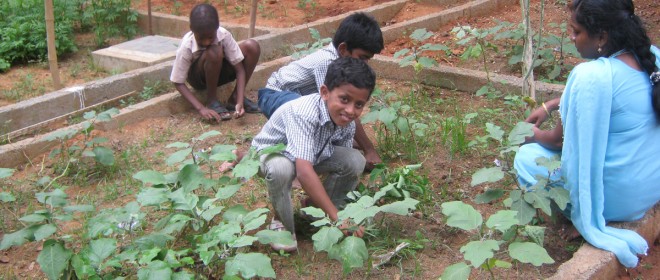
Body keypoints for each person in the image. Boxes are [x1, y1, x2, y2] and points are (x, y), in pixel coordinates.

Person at [513, 0, 660, 268]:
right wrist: (554, 103)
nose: (571, 38)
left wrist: (530, 135)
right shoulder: (651, 57)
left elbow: (557, 141)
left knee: (526, 157)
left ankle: (582, 218)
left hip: (614, 201)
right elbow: (617, 102)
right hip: (650, 188)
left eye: (576, 31)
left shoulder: (591, 76)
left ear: (602, 36)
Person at [251, 57, 375, 252]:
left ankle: (315, 211)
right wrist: (339, 217)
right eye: (344, 99)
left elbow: (342, 159)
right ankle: (282, 224)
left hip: (311, 153)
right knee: (281, 169)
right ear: (325, 92)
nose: (350, 110)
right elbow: (304, 172)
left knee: (354, 160)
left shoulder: (347, 120)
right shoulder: (304, 113)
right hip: (273, 154)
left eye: (359, 104)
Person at [258, 12, 384, 171]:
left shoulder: (343, 64)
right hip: (275, 95)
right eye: (362, 57)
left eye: (368, 59)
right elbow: (329, 103)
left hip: (299, 97)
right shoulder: (326, 62)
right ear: (343, 49)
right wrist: (369, 149)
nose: (365, 63)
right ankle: (295, 168)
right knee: (312, 115)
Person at [170, 3, 260, 123]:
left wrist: (239, 101)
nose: (206, 42)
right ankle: (212, 101)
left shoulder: (223, 34)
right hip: (199, 79)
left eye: (210, 38)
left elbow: (239, 70)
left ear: (217, 27)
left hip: (220, 72)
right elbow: (178, 82)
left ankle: (233, 100)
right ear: (192, 29)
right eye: (201, 39)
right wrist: (201, 108)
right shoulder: (187, 45)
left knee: (252, 46)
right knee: (214, 50)